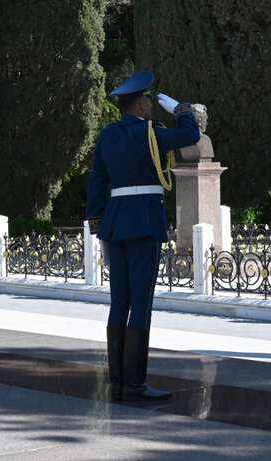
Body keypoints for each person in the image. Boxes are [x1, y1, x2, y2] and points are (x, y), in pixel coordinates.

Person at [86, 71, 200, 401]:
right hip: (144, 224)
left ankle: (118, 380)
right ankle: (135, 382)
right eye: (148, 101)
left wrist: (97, 223)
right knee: (141, 304)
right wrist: (181, 109)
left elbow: (96, 181)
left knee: (119, 301)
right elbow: (190, 136)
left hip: (115, 223)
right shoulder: (152, 133)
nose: (150, 105)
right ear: (141, 104)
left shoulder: (107, 136)